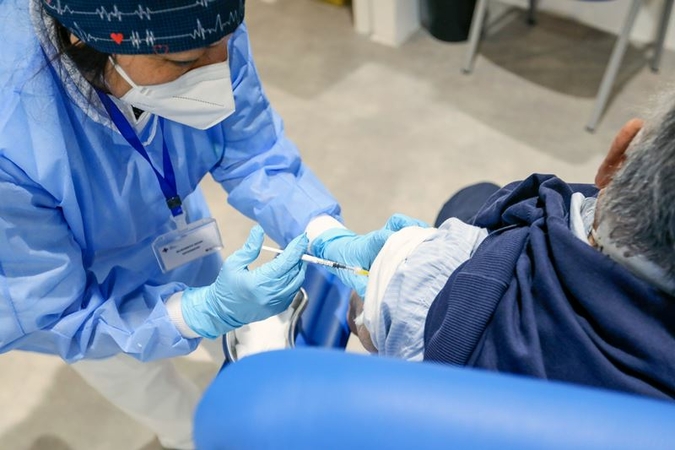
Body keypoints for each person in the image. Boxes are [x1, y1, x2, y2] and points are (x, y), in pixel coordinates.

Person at [0, 1, 419, 448]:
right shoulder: (15, 142)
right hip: (74, 294)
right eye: (184, 61)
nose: (216, 69)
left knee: (223, 309)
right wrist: (197, 313)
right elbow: (61, 312)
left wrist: (322, 232)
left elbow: (254, 151)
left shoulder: (202, 28)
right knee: (167, 404)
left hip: (175, 226)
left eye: (223, 43)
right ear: (81, 37)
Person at [349, 108, 675, 401]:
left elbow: (362, 312)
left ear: (619, 155)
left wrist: (387, 266)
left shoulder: (434, 277)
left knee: (473, 197)